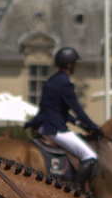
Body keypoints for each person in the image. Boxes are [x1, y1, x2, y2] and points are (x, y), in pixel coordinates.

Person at [24, 46, 103, 188]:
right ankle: (77, 191)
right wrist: (93, 126)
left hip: (43, 127)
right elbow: (77, 109)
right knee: (90, 157)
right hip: (55, 130)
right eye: (75, 63)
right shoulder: (65, 83)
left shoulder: (51, 80)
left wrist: (79, 124)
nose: (76, 66)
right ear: (69, 64)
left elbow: (60, 110)